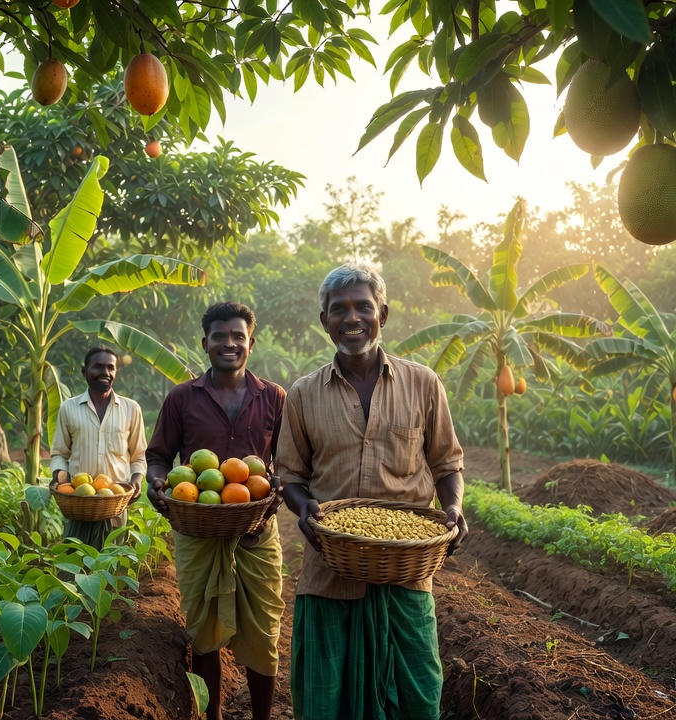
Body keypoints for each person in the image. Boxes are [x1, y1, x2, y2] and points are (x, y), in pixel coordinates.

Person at [276, 263, 469, 720]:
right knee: (324, 701)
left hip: (406, 573)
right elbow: (289, 475)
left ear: (382, 314)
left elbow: (447, 464)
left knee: (419, 696)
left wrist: (453, 507)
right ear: (324, 321)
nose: (352, 318)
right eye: (338, 309)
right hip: (329, 572)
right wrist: (304, 509)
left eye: (363, 306)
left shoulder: (423, 383)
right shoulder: (303, 394)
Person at [146, 301, 286, 720]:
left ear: (251, 344)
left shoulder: (274, 397)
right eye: (220, 337)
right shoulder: (181, 397)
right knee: (203, 632)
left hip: (256, 531)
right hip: (199, 530)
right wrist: (157, 483)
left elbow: (291, 461)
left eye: (238, 337)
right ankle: (212, 716)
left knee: (264, 632)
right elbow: (158, 456)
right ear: (205, 343)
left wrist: (281, 485)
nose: (230, 343)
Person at [49, 345, 147, 550]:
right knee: (74, 560)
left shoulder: (131, 409)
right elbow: (59, 454)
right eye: (98, 367)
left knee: (111, 562)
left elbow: (139, 456)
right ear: (84, 371)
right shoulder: (69, 408)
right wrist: (60, 473)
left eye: (111, 368)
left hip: (115, 505)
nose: (105, 372)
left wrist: (137, 479)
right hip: (79, 504)